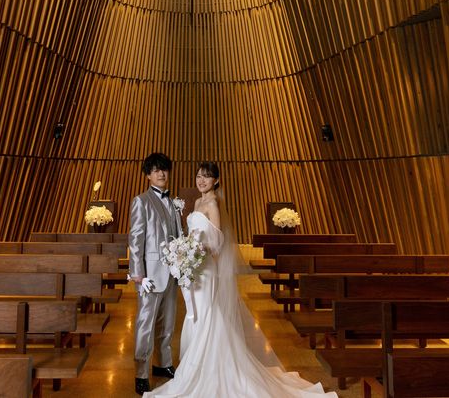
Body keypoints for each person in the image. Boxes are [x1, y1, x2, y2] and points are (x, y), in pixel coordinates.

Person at [145, 162, 338, 398]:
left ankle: (213, 370)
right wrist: (184, 252)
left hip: (206, 269)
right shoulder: (196, 203)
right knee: (197, 316)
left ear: (216, 180)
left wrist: (194, 251)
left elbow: (218, 243)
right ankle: (197, 368)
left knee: (208, 315)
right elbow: (194, 235)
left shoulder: (213, 204)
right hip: (193, 270)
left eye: (207, 177)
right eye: (199, 176)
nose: (201, 181)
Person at [129, 152, 183, 395]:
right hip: (150, 276)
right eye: (156, 170)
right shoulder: (141, 201)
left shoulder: (174, 203)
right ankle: (141, 372)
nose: (161, 173)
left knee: (168, 322)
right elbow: (135, 240)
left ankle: (163, 363)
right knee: (146, 324)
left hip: (172, 273)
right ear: (148, 175)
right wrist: (138, 275)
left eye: (164, 169)